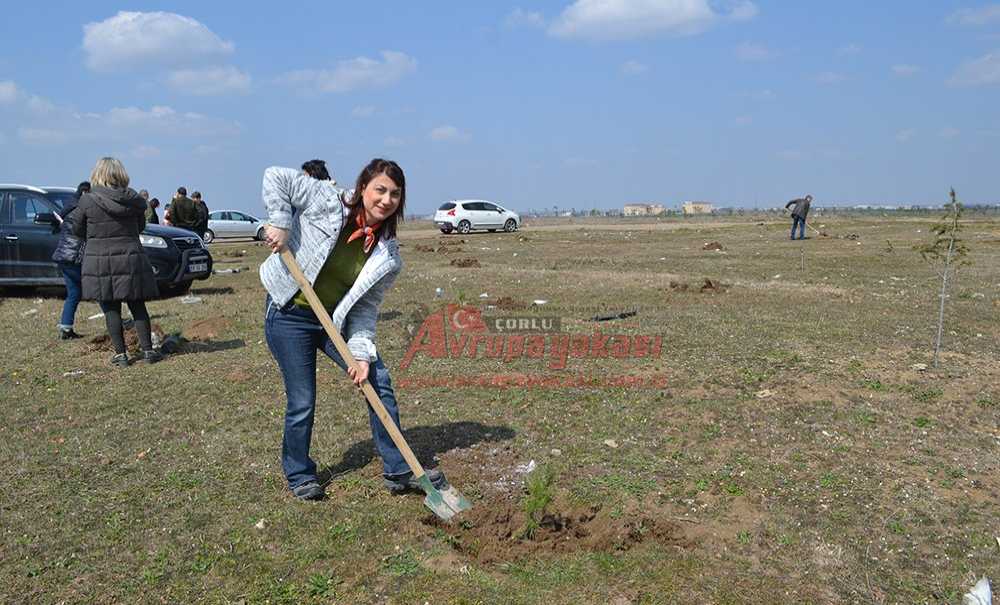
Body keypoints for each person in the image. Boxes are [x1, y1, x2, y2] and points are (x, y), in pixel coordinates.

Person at [259, 158, 448, 501]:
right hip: (289, 315)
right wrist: (281, 224)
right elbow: (276, 176)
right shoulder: (327, 201)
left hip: (333, 322)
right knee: (303, 400)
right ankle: (300, 473)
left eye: (394, 194)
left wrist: (360, 355)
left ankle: (399, 469)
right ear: (363, 188)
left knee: (379, 379)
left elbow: (364, 309)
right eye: (380, 189)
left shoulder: (386, 253)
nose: (385, 200)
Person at [72, 157, 162, 367]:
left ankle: (121, 355)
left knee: (111, 307)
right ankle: (148, 351)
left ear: (97, 174)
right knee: (138, 305)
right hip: (131, 257)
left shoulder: (88, 200)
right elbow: (140, 227)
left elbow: (76, 229)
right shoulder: (133, 200)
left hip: (100, 260)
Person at [51, 181, 90, 339]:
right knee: (95, 287)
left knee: (74, 292)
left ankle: (66, 329)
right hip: (74, 257)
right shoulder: (81, 210)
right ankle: (116, 322)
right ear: (85, 193)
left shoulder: (68, 206)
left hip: (63, 256)